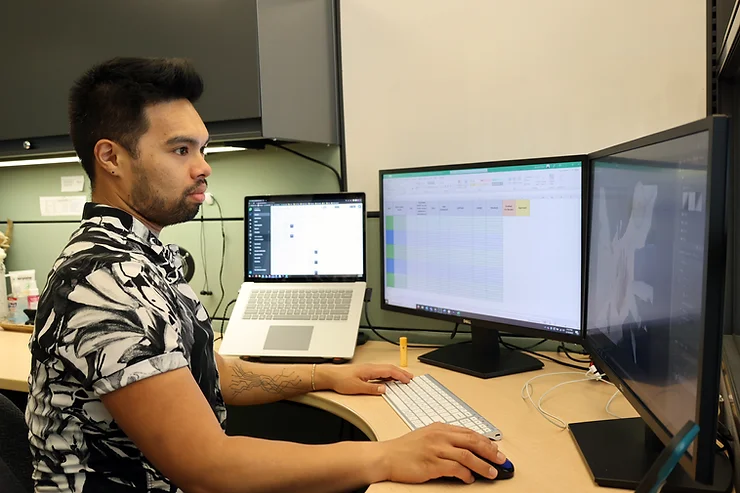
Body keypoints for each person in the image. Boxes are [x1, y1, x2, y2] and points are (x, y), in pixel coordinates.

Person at [25, 57, 507, 493]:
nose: (203, 167)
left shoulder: (138, 254)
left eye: (203, 147)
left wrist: (326, 375)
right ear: (110, 158)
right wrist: (386, 455)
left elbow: (206, 375)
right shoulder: (102, 279)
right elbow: (208, 466)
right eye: (180, 150)